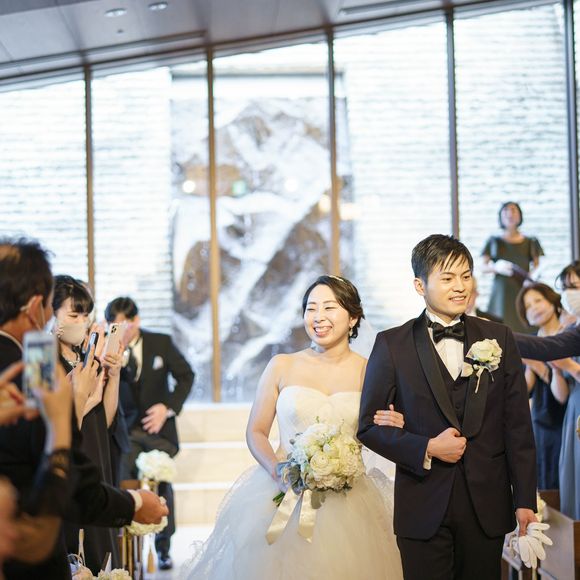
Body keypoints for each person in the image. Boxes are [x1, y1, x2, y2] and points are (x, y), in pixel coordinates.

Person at [185, 275, 404, 579]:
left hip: (349, 498)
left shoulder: (370, 371)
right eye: (311, 308)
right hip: (285, 490)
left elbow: (378, 429)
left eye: (329, 307)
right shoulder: (282, 365)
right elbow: (256, 431)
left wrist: (394, 424)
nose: (318, 317)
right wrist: (276, 470)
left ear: (353, 317)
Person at [359, 234, 537, 580]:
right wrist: (426, 447)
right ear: (420, 285)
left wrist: (525, 499)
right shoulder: (392, 344)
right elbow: (368, 427)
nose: (460, 287)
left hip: (486, 504)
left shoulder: (499, 337)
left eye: (466, 276)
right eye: (448, 278)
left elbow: (517, 426)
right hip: (422, 504)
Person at [0, 238, 168, 580]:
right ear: (37, 306)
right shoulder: (35, 362)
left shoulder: (33, 358)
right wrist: (135, 503)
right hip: (25, 544)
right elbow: (53, 460)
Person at [105, 296, 194, 571]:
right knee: (124, 482)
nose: (121, 330)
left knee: (161, 483)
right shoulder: (107, 348)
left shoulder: (161, 343)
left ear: (136, 321)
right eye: (114, 326)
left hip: (159, 433)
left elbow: (186, 375)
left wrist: (167, 408)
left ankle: (163, 548)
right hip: (126, 432)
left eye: (125, 324)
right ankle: (126, 551)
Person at [51, 276, 124, 573]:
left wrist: (113, 377)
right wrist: (84, 399)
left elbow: (105, 421)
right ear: (50, 314)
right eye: (73, 315)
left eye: (85, 315)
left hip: (97, 462)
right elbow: (56, 433)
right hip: (70, 470)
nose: (81, 322)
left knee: (103, 555)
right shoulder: (44, 363)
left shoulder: (88, 357)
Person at [516, 261, 580, 519]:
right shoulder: (571, 332)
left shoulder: (568, 330)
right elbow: (544, 352)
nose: (570, 294)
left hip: (562, 415)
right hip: (555, 419)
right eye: (566, 288)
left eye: (575, 287)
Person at [515, 283, 567, 490]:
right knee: (544, 480)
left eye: (538, 301)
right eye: (528, 306)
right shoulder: (531, 341)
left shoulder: (567, 336)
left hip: (563, 418)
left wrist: (535, 363)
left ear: (552, 300)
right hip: (539, 419)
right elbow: (526, 388)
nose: (534, 308)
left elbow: (563, 390)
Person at [481, 201, 543, 333]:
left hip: (523, 287)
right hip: (501, 293)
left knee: (525, 324)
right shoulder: (494, 241)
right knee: (499, 328)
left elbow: (538, 265)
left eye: (514, 210)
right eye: (506, 211)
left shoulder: (531, 241)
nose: (510, 214)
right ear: (500, 216)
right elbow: (483, 267)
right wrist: (496, 268)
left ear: (520, 215)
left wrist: (532, 276)